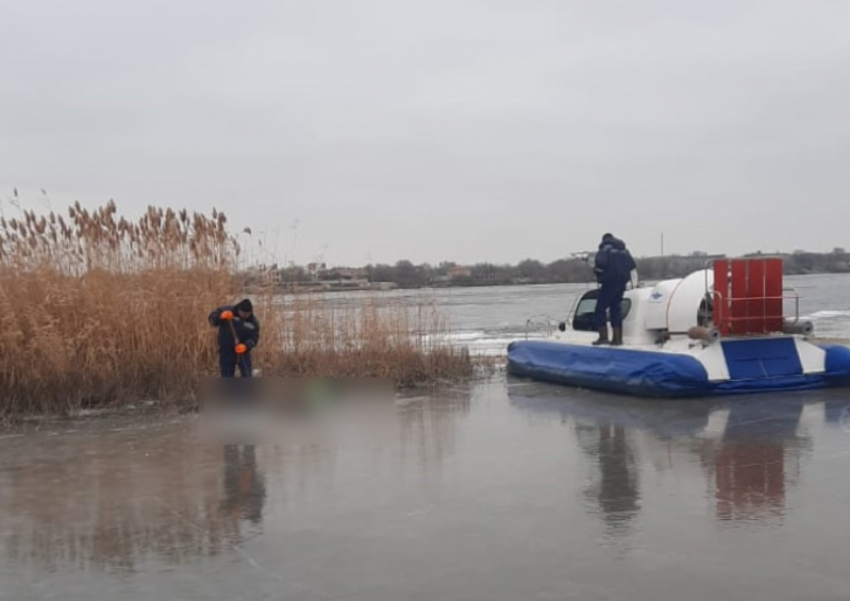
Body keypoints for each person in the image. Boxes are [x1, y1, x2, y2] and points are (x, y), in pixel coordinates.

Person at [592, 233, 636, 346]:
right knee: (615, 309)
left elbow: (600, 264)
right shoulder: (624, 250)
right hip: (622, 283)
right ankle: (617, 339)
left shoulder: (605, 248)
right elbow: (632, 265)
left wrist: (596, 271)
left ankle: (603, 337)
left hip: (609, 282)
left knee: (600, 309)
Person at [208, 298, 260, 377]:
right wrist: (220, 316)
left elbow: (254, 339)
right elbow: (212, 320)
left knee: (247, 375)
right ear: (239, 310)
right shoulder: (227, 310)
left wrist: (245, 346)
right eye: (242, 313)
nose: (244, 316)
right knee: (226, 376)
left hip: (242, 351)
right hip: (226, 350)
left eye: (246, 314)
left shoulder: (253, 323)